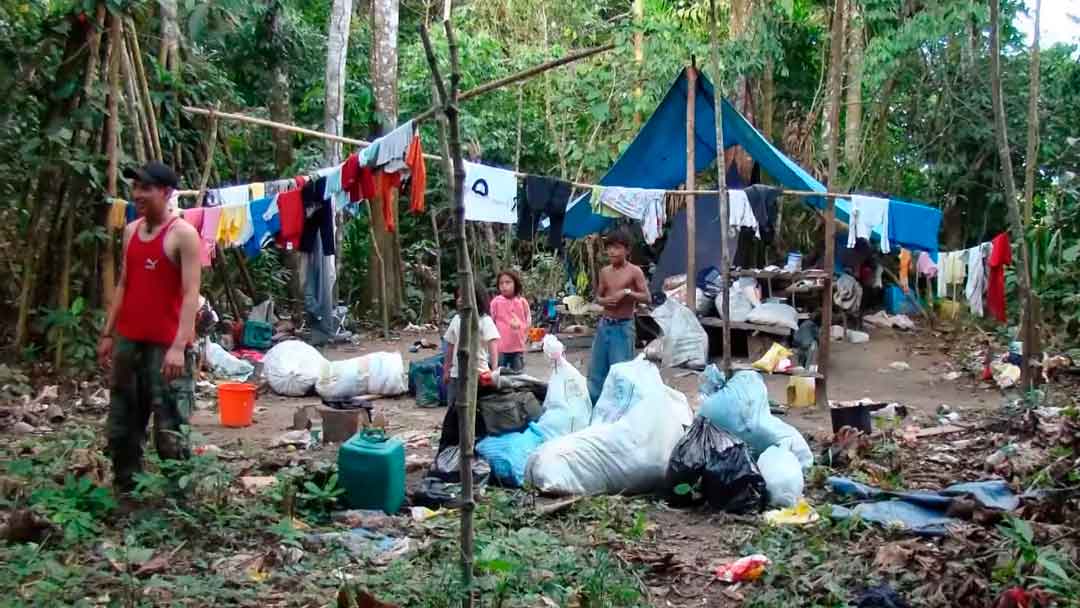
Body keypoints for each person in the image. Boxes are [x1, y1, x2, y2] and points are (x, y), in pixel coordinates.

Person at [97, 161, 202, 498]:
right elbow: (125, 285)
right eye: (135, 187)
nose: (137, 194)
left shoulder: (183, 234)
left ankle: (177, 499)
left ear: (166, 192)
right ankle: (126, 490)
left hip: (165, 345)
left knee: (170, 421)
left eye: (146, 188)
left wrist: (178, 345)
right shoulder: (131, 231)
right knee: (123, 420)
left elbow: (190, 294)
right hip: (129, 340)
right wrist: (108, 333)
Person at [588, 227, 649, 403]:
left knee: (621, 373)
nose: (612, 251)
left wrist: (627, 293)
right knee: (597, 372)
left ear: (627, 250)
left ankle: (620, 412)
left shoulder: (634, 271)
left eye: (617, 247)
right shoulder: (605, 272)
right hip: (604, 325)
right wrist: (604, 301)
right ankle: (595, 408)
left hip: (623, 328)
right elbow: (598, 297)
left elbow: (647, 298)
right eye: (609, 248)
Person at [438, 282, 500, 451]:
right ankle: (453, 444)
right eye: (457, 296)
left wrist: (493, 370)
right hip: (457, 373)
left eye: (463, 296)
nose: (459, 300)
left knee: (476, 410)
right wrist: (446, 369)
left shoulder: (484, 320)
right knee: (453, 409)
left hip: (478, 373)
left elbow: (493, 344)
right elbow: (449, 345)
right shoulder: (457, 319)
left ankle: (473, 444)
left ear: (476, 298)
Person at [489, 270, 531, 373]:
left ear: (515, 284)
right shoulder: (496, 302)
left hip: (518, 347)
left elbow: (528, 319)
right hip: (500, 348)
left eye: (508, 282)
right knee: (498, 375)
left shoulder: (522, 302)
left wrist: (522, 329)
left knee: (518, 376)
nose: (504, 286)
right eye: (501, 283)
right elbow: (490, 322)